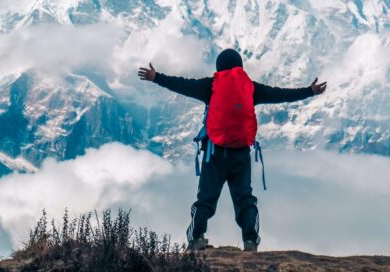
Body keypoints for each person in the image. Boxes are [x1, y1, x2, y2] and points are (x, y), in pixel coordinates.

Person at [138, 49, 326, 252]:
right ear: (240, 67)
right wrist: (309, 91)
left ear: (219, 67)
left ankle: (196, 239)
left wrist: (156, 77)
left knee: (206, 199)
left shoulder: (210, 86)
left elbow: (182, 84)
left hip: (214, 153)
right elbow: (281, 94)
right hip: (241, 153)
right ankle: (250, 241)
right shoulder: (251, 88)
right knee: (245, 199)